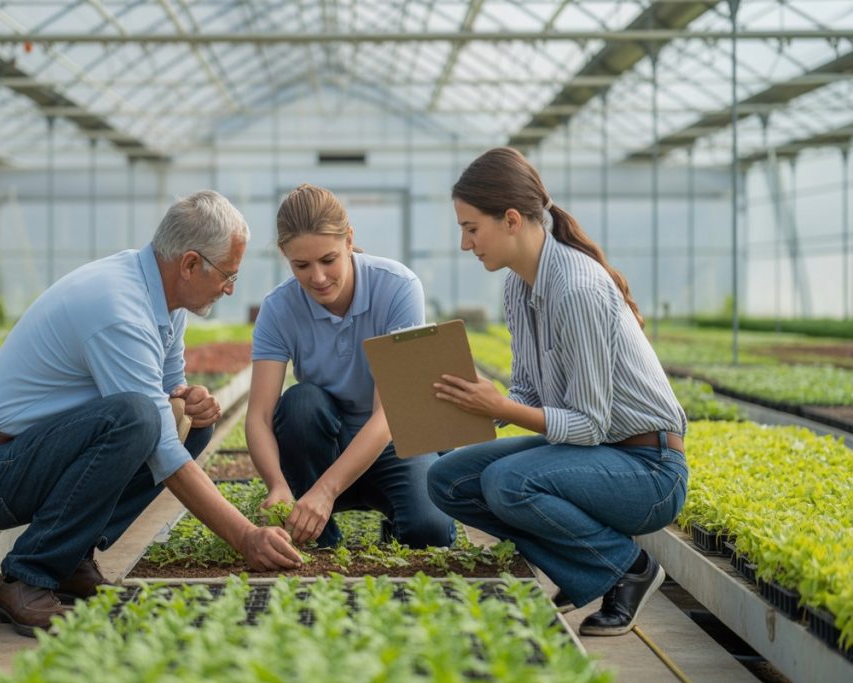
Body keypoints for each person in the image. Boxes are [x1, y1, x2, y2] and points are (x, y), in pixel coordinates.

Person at [0, 190, 302, 638]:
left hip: (36, 456)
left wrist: (191, 399)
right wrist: (243, 536)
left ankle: (70, 559)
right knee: (138, 418)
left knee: (190, 424)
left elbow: (169, 396)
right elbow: (155, 438)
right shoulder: (116, 306)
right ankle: (27, 576)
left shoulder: (163, 299)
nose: (231, 288)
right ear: (190, 264)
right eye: (228, 275)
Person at [427, 148, 688, 636]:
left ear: (509, 220)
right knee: (446, 480)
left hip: (648, 471)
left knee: (508, 482)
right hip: (590, 457)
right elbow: (528, 388)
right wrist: (484, 401)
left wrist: (501, 407)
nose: (465, 244)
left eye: (470, 228)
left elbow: (590, 424)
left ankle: (627, 569)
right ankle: (585, 565)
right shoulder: (518, 287)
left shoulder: (576, 288)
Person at [246, 184, 456, 549]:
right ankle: (320, 538)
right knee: (301, 403)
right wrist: (278, 485)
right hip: (325, 446)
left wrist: (327, 490)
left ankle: (392, 519)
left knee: (430, 533)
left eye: (328, 260)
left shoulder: (398, 288)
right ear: (285, 255)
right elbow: (259, 416)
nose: (318, 277)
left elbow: (389, 415)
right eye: (301, 265)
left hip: (394, 441)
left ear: (349, 240)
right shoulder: (278, 308)